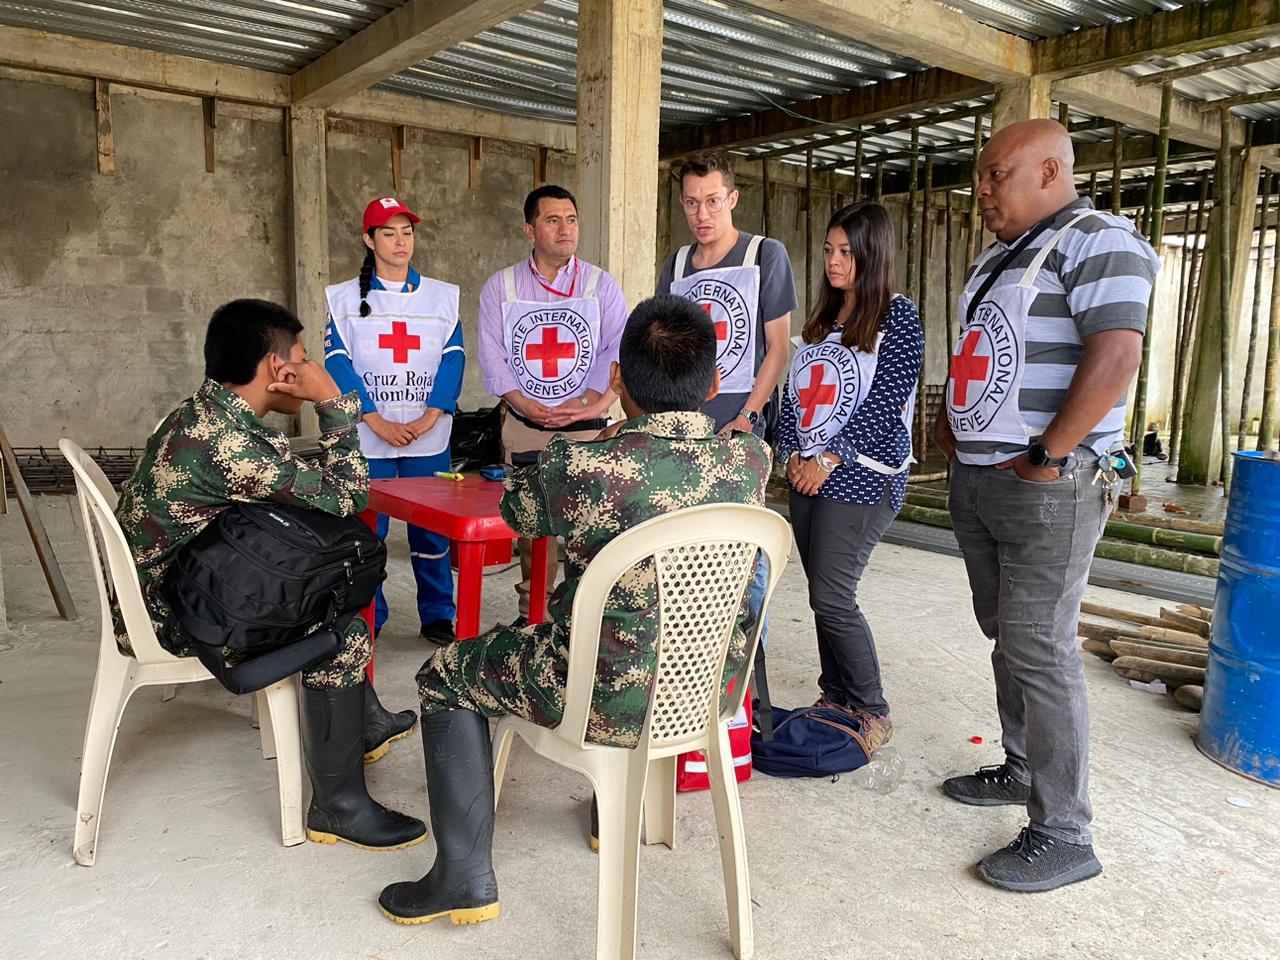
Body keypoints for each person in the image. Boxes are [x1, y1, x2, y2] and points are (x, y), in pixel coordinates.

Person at [376, 295, 772, 926]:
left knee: (444, 674)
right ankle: (615, 811)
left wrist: (603, 432)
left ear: (617, 378)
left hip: (599, 695)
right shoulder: (752, 462)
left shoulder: (584, 466)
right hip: (703, 690)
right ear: (716, 382)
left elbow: (517, 516)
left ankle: (463, 880)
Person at [934, 119, 1159, 893]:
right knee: (1007, 632)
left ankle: (1064, 832)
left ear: (1052, 171)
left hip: (1048, 484)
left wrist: (1050, 453)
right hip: (984, 476)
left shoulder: (1099, 239)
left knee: (1040, 641)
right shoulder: (1001, 256)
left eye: (997, 174)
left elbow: (1117, 353)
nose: (983, 190)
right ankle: (1021, 766)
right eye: (982, 176)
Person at [116, 299, 427, 852]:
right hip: (175, 614)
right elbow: (349, 497)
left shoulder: (205, 414)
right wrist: (334, 403)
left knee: (333, 569)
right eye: (303, 361)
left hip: (174, 578)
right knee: (343, 622)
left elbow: (281, 480)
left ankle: (365, 719)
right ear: (276, 370)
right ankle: (338, 807)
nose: (308, 370)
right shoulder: (230, 444)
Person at [776, 202, 922, 755]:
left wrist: (828, 458)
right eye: (830, 251)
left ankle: (872, 707)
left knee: (834, 596)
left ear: (872, 255)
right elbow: (795, 394)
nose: (834, 262)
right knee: (820, 595)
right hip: (808, 476)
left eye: (846, 253)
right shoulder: (821, 321)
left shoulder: (898, 317)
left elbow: (884, 402)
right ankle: (836, 697)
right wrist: (791, 452)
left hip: (862, 476)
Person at [477, 184, 628, 624]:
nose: (566, 229)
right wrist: (524, 403)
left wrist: (590, 404)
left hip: (588, 425)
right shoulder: (501, 286)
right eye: (553, 220)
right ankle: (535, 618)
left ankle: (586, 619)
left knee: (590, 525)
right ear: (529, 229)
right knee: (532, 528)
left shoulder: (601, 284)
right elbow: (493, 354)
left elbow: (617, 350)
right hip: (526, 424)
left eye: (572, 219)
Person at [324, 196, 465, 649]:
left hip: (430, 435)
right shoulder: (343, 298)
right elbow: (337, 363)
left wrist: (429, 416)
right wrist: (375, 420)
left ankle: (439, 615)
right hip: (370, 437)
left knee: (433, 530)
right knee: (369, 533)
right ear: (369, 240)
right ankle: (370, 613)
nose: (401, 241)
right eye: (388, 233)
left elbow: (454, 359)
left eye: (407, 232)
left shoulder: (442, 295)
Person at [656, 149, 798, 437]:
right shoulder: (676, 265)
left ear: (732, 199)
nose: (702, 215)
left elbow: (779, 348)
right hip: (683, 429)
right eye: (692, 203)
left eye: (713, 201)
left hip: (741, 429)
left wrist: (747, 417)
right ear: (682, 202)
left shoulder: (765, 255)